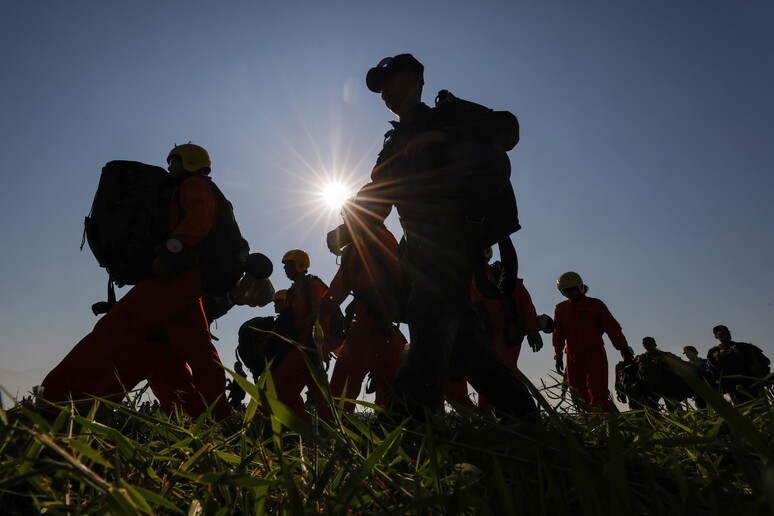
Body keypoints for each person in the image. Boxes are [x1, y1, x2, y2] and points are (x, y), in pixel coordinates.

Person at [325, 53, 537, 421]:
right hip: (420, 250)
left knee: (428, 317)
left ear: (417, 79)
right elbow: (381, 191)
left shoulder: (448, 113)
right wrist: (349, 228)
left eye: (391, 81)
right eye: (380, 88)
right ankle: (524, 417)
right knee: (464, 344)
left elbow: (508, 128)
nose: (385, 92)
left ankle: (403, 430)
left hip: (454, 239)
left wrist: (444, 136)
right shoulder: (393, 143)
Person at [41, 144, 235, 419]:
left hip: (179, 274)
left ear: (191, 161)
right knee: (191, 348)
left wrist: (171, 250)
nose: (169, 166)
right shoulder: (188, 188)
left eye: (174, 161)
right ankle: (208, 416)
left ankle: (58, 401)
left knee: (116, 328)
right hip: (191, 279)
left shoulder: (194, 184)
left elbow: (197, 222)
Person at [320, 203, 406, 412]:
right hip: (382, 326)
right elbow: (337, 290)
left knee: (345, 380)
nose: (345, 222)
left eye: (347, 217)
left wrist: (319, 313)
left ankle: (337, 431)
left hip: (374, 324)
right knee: (391, 383)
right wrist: (320, 313)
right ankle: (396, 427)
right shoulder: (353, 250)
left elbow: (400, 276)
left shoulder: (378, 238)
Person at [552, 271, 632, 412]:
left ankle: (604, 425)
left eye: (571, 290)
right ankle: (590, 427)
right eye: (564, 291)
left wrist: (623, 348)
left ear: (580, 287)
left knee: (597, 391)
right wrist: (558, 356)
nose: (568, 293)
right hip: (572, 356)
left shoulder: (595, 305)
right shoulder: (560, 308)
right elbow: (558, 335)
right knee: (578, 394)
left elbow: (612, 328)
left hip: (594, 353)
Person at [270, 249, 333, 421]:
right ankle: (305, 426)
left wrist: (322, 344)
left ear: (299, 265)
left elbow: (322, 313)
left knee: (277, 385)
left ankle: (333, 428)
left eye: (287, 265)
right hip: (298, 345)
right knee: (295, 391)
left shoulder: (312, 285)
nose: (284, 269)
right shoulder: (291, 292)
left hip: (308, 346)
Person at [706, 325, 771, 404]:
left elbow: (764, 362)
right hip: (734, 387)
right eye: (722, 334)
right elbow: (712, 371)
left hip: (753, 383)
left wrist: (767, 379)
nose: (726, 335)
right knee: (743, 411)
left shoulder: (745, 347)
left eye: (727, 333)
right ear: (716, 336)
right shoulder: (714, 353)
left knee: (762, 408)